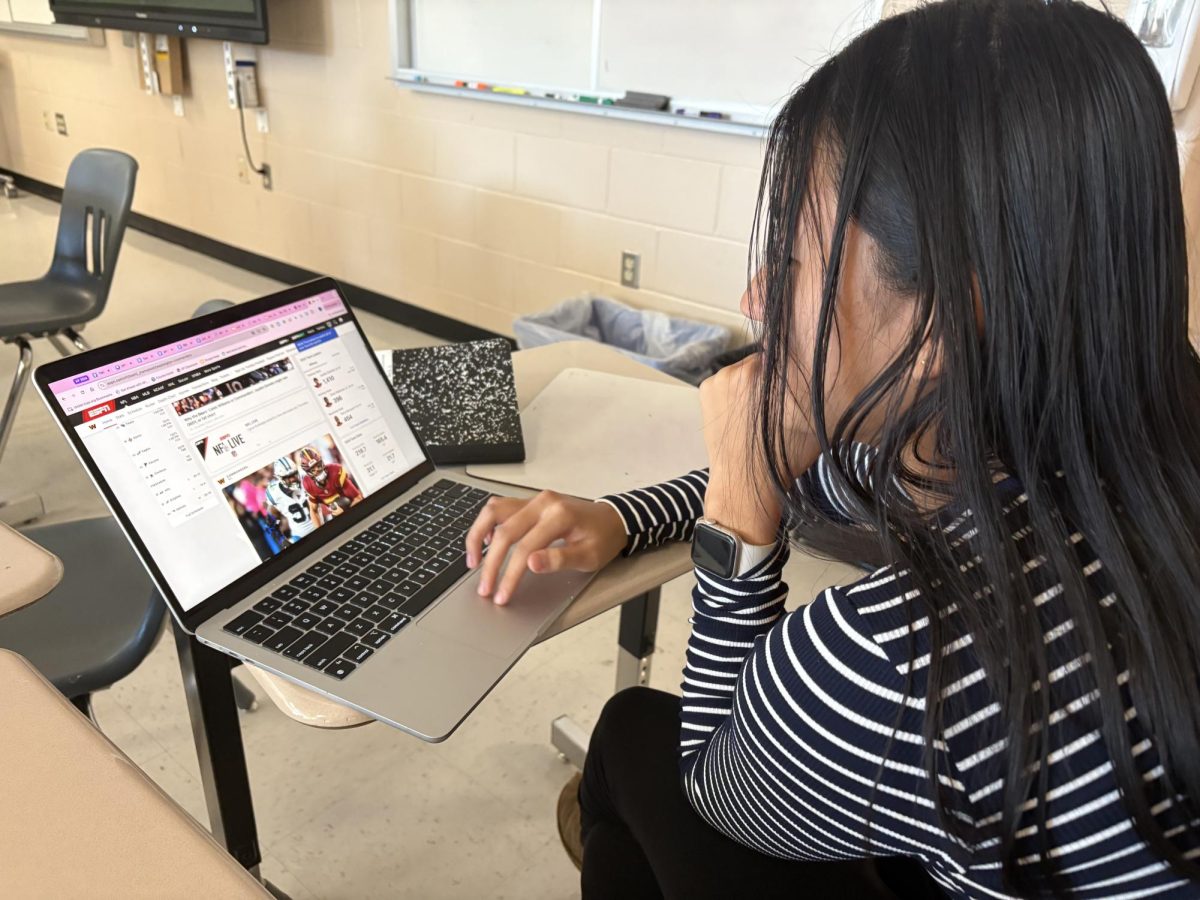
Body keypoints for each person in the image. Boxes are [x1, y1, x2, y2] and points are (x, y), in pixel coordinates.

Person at [464, 1, 1200, 897]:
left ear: (942, 319)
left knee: (632, 743)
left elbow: (716, 785)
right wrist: (627, 517)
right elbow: (827, 484)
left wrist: (737, 513)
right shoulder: (1107, 416)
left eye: (794, 254)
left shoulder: (898, 661)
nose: (756, 291)